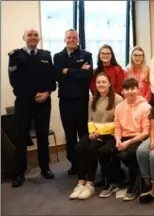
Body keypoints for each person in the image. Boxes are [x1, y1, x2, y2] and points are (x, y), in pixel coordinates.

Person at [8, 28, 57, 188]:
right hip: (24, 103)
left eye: (36, 35)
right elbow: (14, 82)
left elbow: (52, 78)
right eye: (30, 35)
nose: (33, 37)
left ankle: (45, 168)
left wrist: (47, 92)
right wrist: (34, 94)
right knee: (21, 138)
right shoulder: (15, 56)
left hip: (44, 103)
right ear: (24, 37)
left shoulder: (46, 55)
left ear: (39, 38)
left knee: (43, 137)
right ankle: (19, 173)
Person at [69, 73, 123, 200]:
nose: (101, 85)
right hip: (95, 133)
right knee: (79, 147)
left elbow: (119, 122)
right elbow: (90, 119)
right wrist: (93, 132)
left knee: (91, 148)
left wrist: (101, 131)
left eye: (104, 82)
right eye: (98, 82)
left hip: (110, 134)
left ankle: (90, 184)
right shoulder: (93, 99)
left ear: (109, 84)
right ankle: (81, 182)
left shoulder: (117, 99)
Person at [98, 78, 151, 201]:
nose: (130, 91)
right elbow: (117, 126)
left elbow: (145, 132)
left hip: (138, 138)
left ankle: (133, 184)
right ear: (123, 91)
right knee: (103, 152)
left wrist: (128, 143)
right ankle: (115, 181)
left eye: (133, 88)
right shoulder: (119, 107)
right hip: (122, 137)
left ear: (138, 89)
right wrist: (117, 140)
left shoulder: (145, 106)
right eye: (127, 89)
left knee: (131, 153)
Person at [54, 29, 94, 175]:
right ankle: (74, 163)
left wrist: (68, 71)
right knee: (70, 134)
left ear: (78, 39)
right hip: (65, 101)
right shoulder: (58, 57)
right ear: (64, 39)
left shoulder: (86, 55)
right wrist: (78, 70)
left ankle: (86, 161)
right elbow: (58, 76)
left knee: (83, 132)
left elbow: (87, 75)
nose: (71, 40)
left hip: (81, 101)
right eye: (68, 37)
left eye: (74, 37)